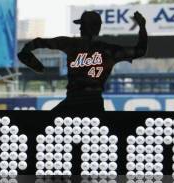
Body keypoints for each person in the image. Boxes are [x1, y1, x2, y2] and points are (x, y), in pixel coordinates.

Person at [18, 11, 148, 113]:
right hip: (95, 102)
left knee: (44, 126)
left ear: (85, 28)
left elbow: (37, 43)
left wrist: (31, 61)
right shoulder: (109, 50)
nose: (79, 29)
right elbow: (140, 50)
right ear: (97, 29)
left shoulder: (70, 43)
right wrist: (142, 26)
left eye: (82, 25)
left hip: (73, 101)